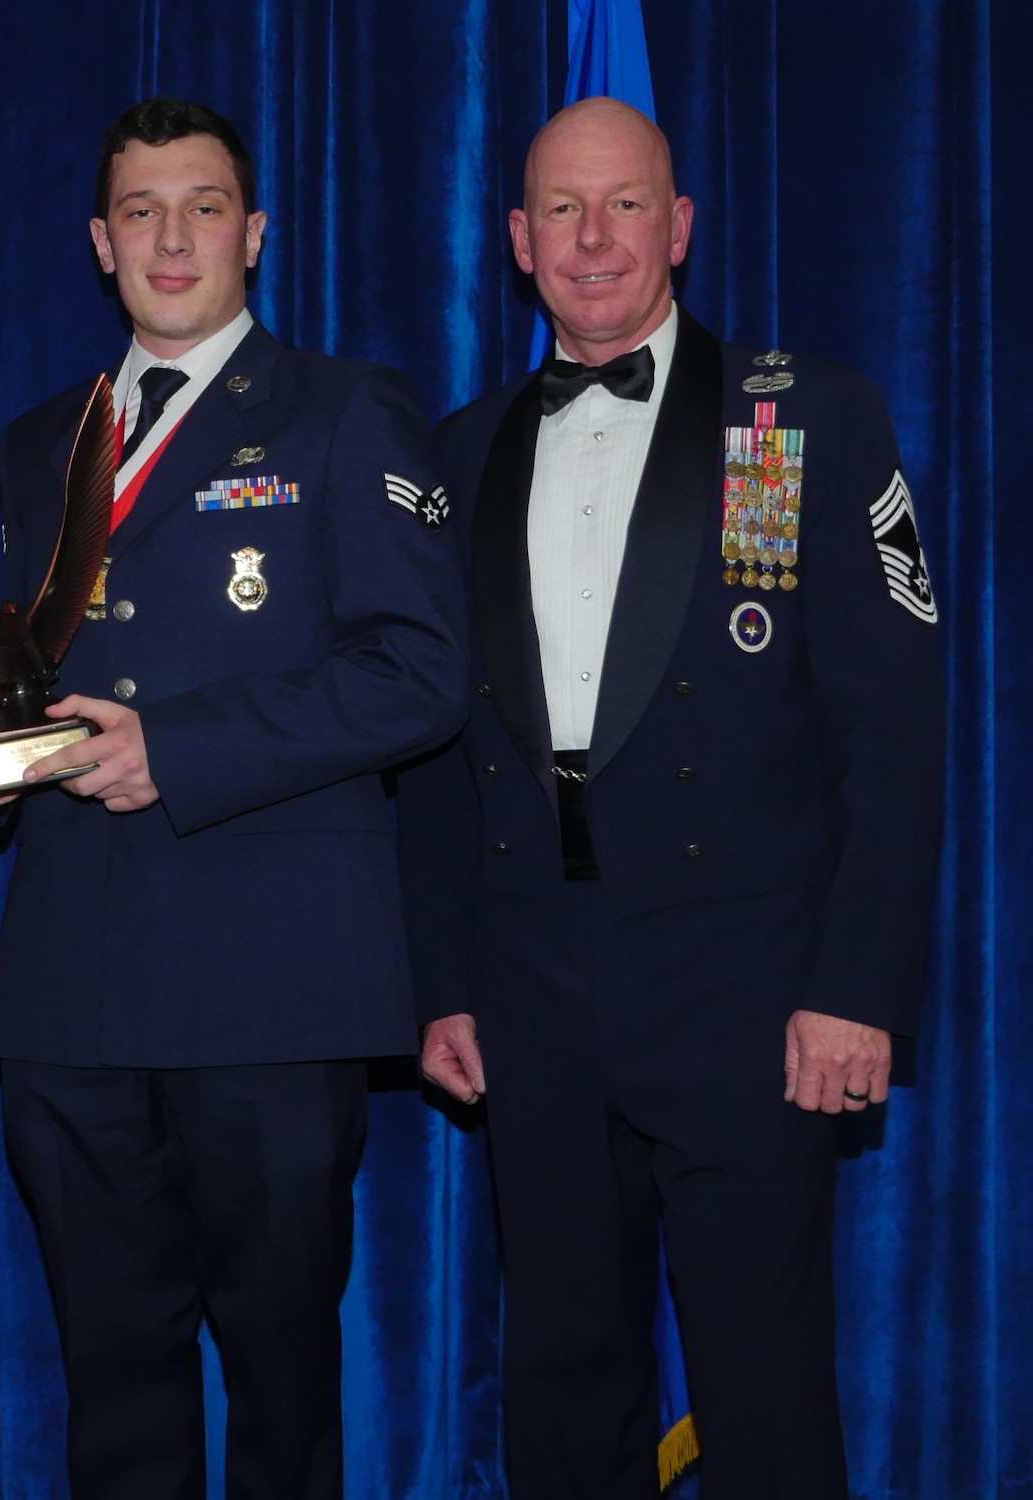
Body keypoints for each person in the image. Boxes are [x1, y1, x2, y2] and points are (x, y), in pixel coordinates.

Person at [396, 98, 946, 1499]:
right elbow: (445, 753)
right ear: (517, 242)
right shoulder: (459, 456)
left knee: (763, 1389)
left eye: (626, 204)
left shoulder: (799, 417)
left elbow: (892, 734)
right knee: (566, 1382)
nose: (595, 240)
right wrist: (442, 982)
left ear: (681, 223)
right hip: (533, 976)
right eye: (563, 212)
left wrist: (860, 987)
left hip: (751, 985)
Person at [0, 99, 466, 1498]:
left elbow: (420, 676)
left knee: (281, 1381)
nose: (174, 238)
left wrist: (182, 749)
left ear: (256, 232)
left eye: (205, 206)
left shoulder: (349, 409)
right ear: (101, 244)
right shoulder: (43, 437)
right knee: (113, 1378)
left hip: (272, 984)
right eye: (144, 213)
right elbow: (52, 679)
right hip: (75, 987)